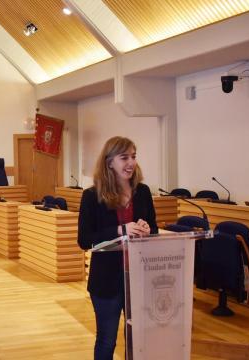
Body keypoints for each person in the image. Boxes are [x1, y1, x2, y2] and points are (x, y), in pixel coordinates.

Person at [78, 136, 158, 360]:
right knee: (107, 340)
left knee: (137, 339)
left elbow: (154, 229)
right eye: (124, 157)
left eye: (133, 156)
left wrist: (146, 228)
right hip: (107, 281)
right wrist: (120, 230)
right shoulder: (92, 196)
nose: (131, 162)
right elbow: (84, 240)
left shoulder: (142, 192)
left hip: (139, 279)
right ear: (109, 162)